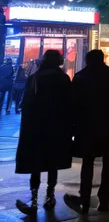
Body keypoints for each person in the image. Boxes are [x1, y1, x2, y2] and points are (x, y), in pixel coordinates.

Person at [64, 49, 109, 214]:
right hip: (108, 127)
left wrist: (72, 130)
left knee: (87, 164)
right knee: (108, 164)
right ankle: (104, 200)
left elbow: (72, 108)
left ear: (87, 60)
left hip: (86, 128)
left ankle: (84, 200)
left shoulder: (79, 78)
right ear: (103, 60)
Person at [15, 50, 72, 214]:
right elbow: (69, 103)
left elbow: (26, 104)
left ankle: (33, 199)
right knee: (52, 163)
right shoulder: (63, 78)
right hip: (56, 127)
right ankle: (50, 196)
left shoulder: (34, 78)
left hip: (36, 127)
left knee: (36, 163)